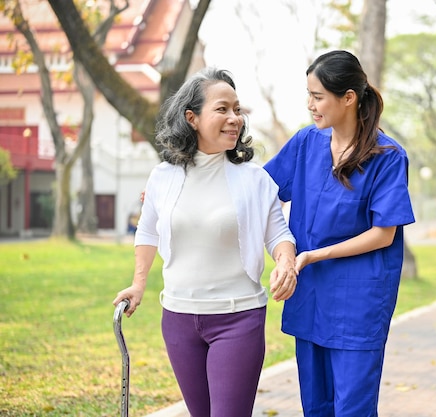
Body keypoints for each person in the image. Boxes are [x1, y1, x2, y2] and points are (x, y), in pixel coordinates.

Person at [113, 67, 297, 417]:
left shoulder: (254, 179)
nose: (235, 119)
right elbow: (148, 231)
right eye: (223, 109)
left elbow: (278, 234)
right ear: (191, 117)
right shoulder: (162, 178)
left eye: (237, 110)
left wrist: (286, 263)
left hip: (238, 317)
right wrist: (138, 285)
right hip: (178, 318)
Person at [264, 50, 415, 416]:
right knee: (316, 406)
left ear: (348, 98)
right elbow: (258, 191)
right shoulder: (305, 144)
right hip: (310, 297)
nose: (310, 105)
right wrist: (183, 182)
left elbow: (383, 234)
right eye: (309, 95)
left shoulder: (388, 156)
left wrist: (315, 254)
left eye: (318, 97)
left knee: (352, 408)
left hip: (358, 302)